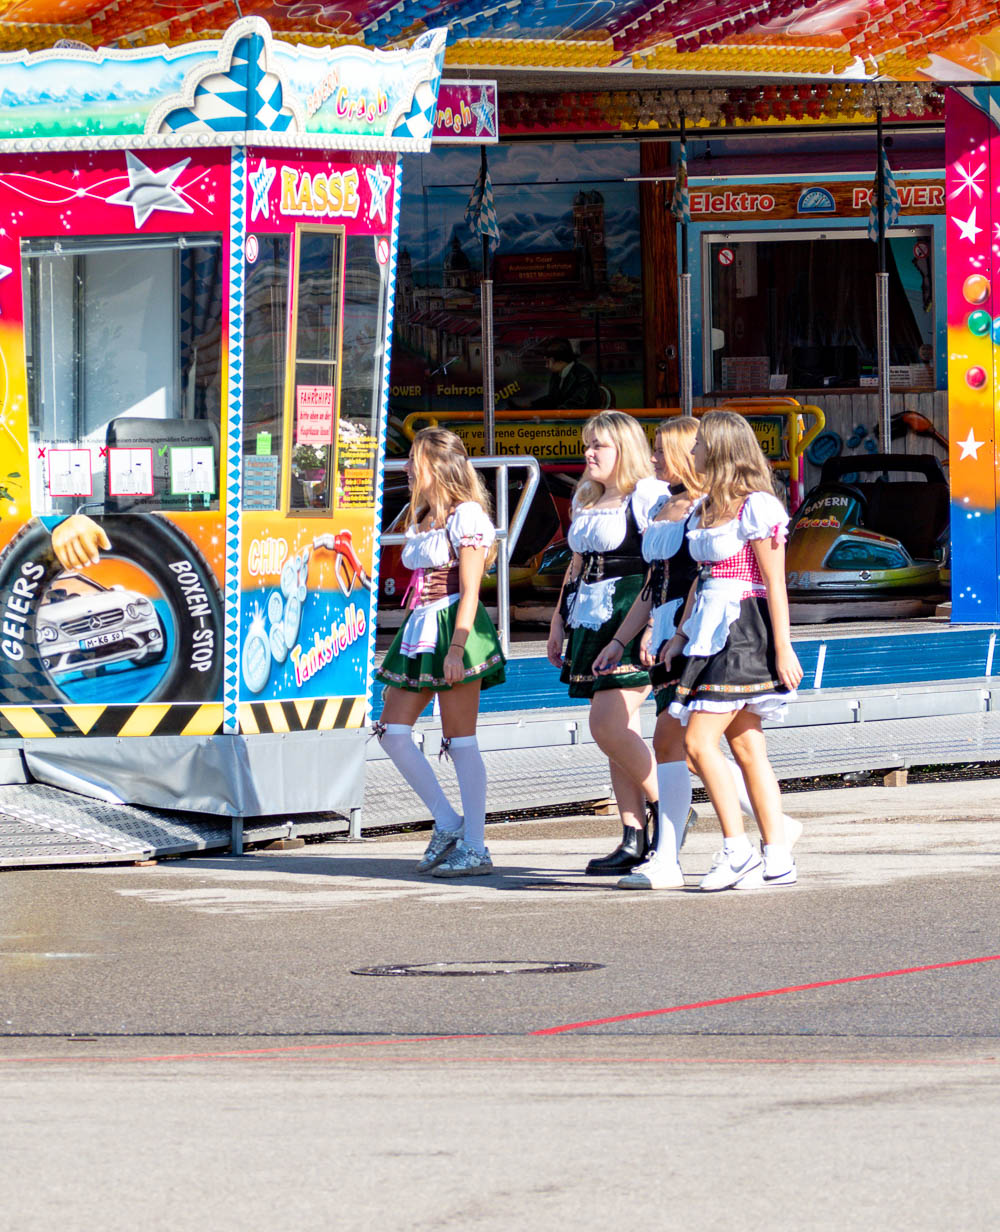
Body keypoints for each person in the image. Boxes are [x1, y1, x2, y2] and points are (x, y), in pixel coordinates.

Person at [660, 410, 804, 892]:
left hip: (742, 626)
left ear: (720, 447)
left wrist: (784, 647)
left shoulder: (755, 506)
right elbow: (702, 580)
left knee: (698, 743)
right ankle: (777, 855)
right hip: (706, 626)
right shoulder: (705, 507)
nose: (693, 449)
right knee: (745, 745)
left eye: (700, 442)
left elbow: (774, 582)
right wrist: (681, 633)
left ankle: (736, 847)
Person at [373, 427, 505, 877]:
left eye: (415, 459)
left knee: (460, 738)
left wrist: (457, 648)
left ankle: (476, 844)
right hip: (422, 624)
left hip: (453, 624)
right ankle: (448, 822)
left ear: (438, 465)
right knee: (392, 730)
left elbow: (470, 591)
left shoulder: (466, 516)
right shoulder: (425, 514)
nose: (408, 467)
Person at [547, 410, 671, 876]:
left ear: (624, 449)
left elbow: (660, 566)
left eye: (598, 445)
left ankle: (671, 806)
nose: (588, 453)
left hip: (630, 613)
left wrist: (651, 626)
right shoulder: (588, 496)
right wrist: (558, 621)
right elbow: (576, 566)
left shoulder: (647, 496)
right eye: (587, 444)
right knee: (620, 733)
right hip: (590, 615)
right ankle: (633, 835)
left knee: (608, 725)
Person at [591, 416, 702, 889]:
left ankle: (759, 834)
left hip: (687, 626)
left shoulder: (698, 506)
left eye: (662, 449)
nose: (655, 457)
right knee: (675, 743)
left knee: (700, 744)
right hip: (651, 625)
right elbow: (653, 582)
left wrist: (670, 627)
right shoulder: (664, 501)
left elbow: (698, 575)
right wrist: (621, 636)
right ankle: (656, 847)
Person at [530, 338, 601, 410]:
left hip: (582, 419)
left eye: (548, 362)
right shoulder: (557, 374)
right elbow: (552, 399)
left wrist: (556, 414)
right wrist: (532, 405)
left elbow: (577, 403)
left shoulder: (583, 375)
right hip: (564, 417)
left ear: (560, 360)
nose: (546, 366)